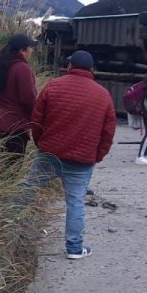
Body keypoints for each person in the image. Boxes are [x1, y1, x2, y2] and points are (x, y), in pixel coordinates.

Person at [21, 50, 117, 260]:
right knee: (75, 203)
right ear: (92, 69)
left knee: (28, 189)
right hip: (81, 161)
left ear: (70, 66)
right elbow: (108, 132)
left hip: (50, 154)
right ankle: (74, 248)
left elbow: (36, 120)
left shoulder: (53, 86)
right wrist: (96, 156)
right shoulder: (103, 95)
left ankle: (5, 227)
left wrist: (41, 144)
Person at [0, 34, 38, 158]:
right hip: (16, 127)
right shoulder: (22, 68)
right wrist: (37, 120)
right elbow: (28, 99)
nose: (32, 50)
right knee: (12, 170)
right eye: (30, 47)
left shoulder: (2, 65)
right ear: (23, 50)